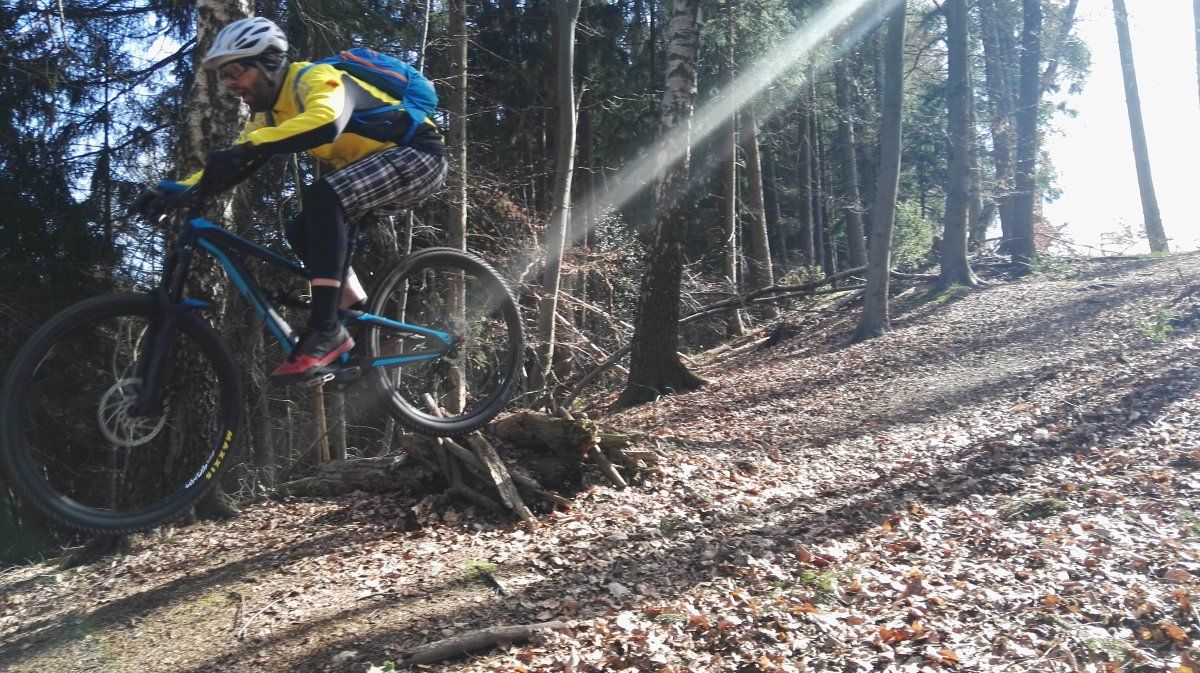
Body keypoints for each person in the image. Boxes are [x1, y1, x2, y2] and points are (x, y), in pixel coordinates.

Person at [136, 16, 448, 384]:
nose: (230, 83)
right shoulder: (267, 117)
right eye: (223, 75)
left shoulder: (315, 78)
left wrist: (250, 149)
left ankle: (326, 329)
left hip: (419, 156)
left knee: (324, 197)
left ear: (270, 62)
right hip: (376, 169)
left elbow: (328, 119)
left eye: (235, 71)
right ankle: (369, 329)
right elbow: (237, 159)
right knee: (302, 231)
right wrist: (175, 191)